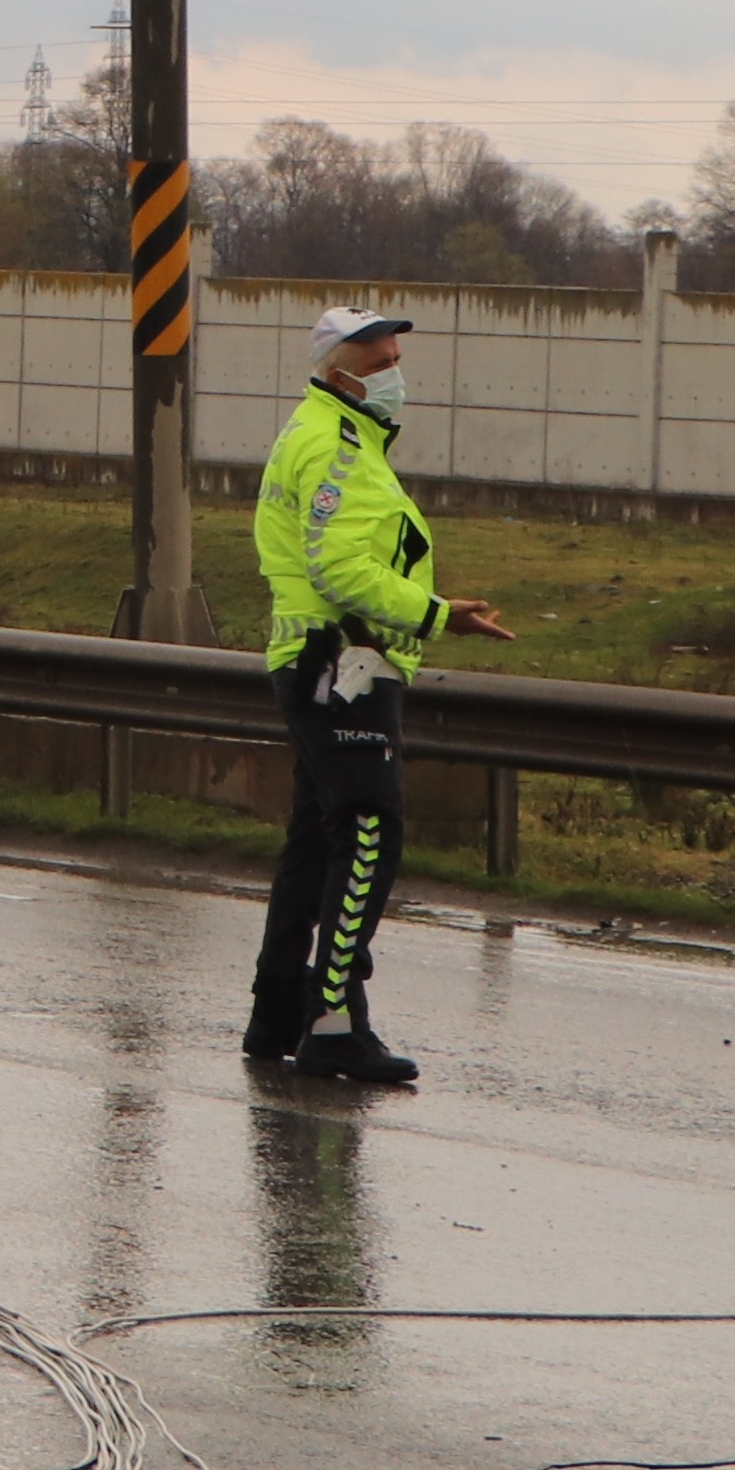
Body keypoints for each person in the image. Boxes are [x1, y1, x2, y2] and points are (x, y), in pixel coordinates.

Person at [247, 302, 508, 1083]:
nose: (394, 375)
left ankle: (277, 1015)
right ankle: (331, 1025)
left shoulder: (325, 433)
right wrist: (434, 615)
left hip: (317, 662)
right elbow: (341, 571)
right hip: (345, 668)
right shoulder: (337, 448)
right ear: (339, 374)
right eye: (379, 363)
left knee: (311, 843)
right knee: (366, 836)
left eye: (395, 360)